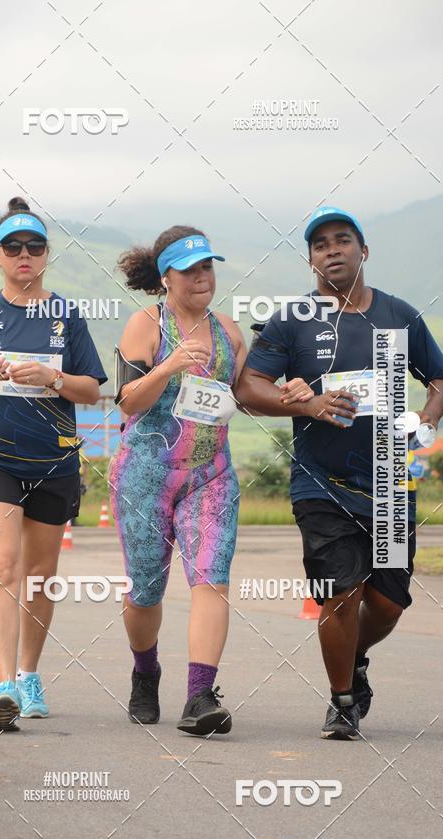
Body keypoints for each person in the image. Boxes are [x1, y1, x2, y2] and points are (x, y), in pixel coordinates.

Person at [236, 206, 443, 740]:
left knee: (386, 603)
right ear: (311, 258)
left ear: (364, 250)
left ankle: (353, 658)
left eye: (342, 240)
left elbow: (442, 378)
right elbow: (249, 388)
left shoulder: (400, 317)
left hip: (387, 482)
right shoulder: (293, 320)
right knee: (340, 593)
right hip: (319, 482)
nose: (331, 250)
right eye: (320, 245)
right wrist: (306, 406)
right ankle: (341, 702)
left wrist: (425, 420)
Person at [110, 226, 312, 735]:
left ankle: (200, 695)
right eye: (190, 270)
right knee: (146, 593)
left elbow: (247, 392)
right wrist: (169, 365)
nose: (202, 278)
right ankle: (144, 671)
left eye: (207, 268)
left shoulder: (229, 330)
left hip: (210, 474)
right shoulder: (145, 325)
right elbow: (126, 400)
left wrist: (291, 389)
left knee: (212, 578)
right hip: (145, 477)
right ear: (166, 277)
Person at [0, 197, 107, 731]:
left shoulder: (66, 315)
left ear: (47, 254)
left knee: (39, 576)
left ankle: (30, 673)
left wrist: (51, 379)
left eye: (34, 246)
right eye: (13, 247)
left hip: (54, 461)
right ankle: (4, 684)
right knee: (2, 567)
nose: (24, 255)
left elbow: (93, 391)